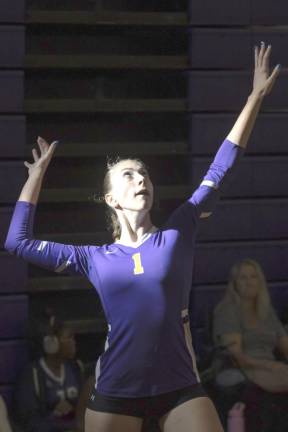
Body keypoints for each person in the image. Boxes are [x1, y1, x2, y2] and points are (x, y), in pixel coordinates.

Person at [5, 43, 279, 432]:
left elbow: (222, 166)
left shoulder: (179, 229)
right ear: (111, 198)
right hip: (116, 392)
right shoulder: (94, 257)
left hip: (180, 387)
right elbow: (18, 242)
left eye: (145, 173)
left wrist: (254, 97)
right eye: (129, 175)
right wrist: (34, 179)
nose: (141, 179)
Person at [213, 258, 288, 431]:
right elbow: (236, 355)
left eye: (253, 277)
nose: (249, 282)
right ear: (234, 283)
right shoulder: (227, 310)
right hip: (239, 367)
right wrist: (271, 366)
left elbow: (285, 345)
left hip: (271, 366)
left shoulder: (267, 311)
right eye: (243, 278)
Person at [13, 314, 84, 432]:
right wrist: (55, 418)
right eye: (69, 337)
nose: (74, 342)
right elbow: (28, 422)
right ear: (51, 343)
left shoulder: (75, 368)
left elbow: (86, 408)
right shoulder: (31, 375)